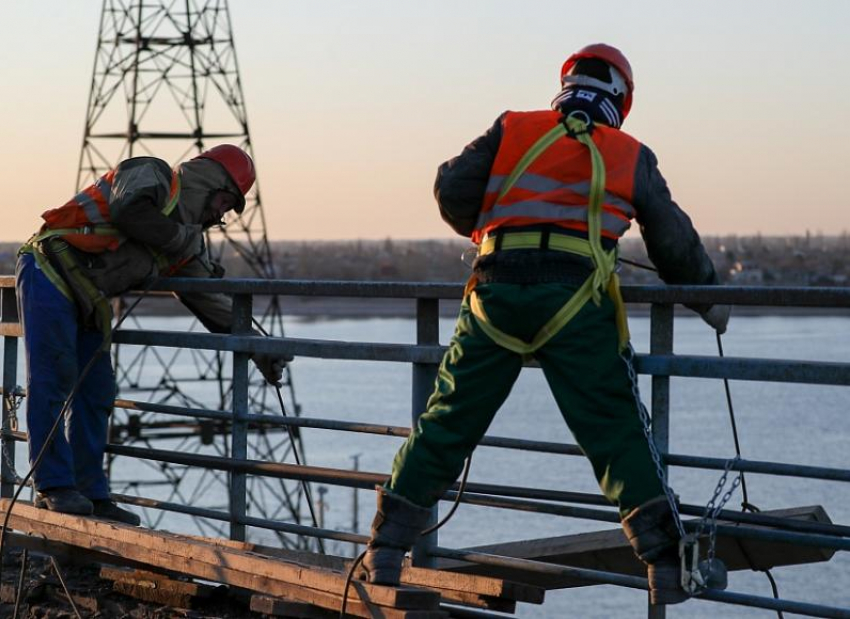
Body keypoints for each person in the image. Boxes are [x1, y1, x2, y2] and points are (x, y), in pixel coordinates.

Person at [360, 44, 730, 605]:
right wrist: (710, 300)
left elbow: (452, 191)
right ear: (622, 101)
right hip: (574, 299)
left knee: (447, 419)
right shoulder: (628, 153)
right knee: (614, 429)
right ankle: (665, 567)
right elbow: (673, 243)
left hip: (495, 291)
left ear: (566, 85)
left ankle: (384, 554)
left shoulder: (514, 128)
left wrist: (488, 226)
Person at [16, 144, 289, 526]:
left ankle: (91, 494)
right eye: (225, 203)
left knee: (97, 393)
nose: (220, 215)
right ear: (210, 181)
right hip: (50, 270)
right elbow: (130, 211)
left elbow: (209, 302)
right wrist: (181, 239)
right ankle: (53, 485)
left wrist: (261, 347)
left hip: (89, 297)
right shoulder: (152, 173)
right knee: (53, 378)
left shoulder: (186, 244)